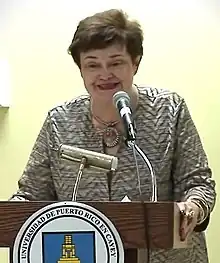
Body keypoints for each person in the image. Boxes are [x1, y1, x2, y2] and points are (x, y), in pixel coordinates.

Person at [10, 9, 216, 263]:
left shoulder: (170, 110)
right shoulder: (59, 121)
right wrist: (8, 217)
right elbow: (31, 195)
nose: (105, 74)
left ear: (136, 62)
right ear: (81, 70)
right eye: (93, 65)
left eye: (116, 62)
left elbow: (198, 184)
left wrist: (193, 206)